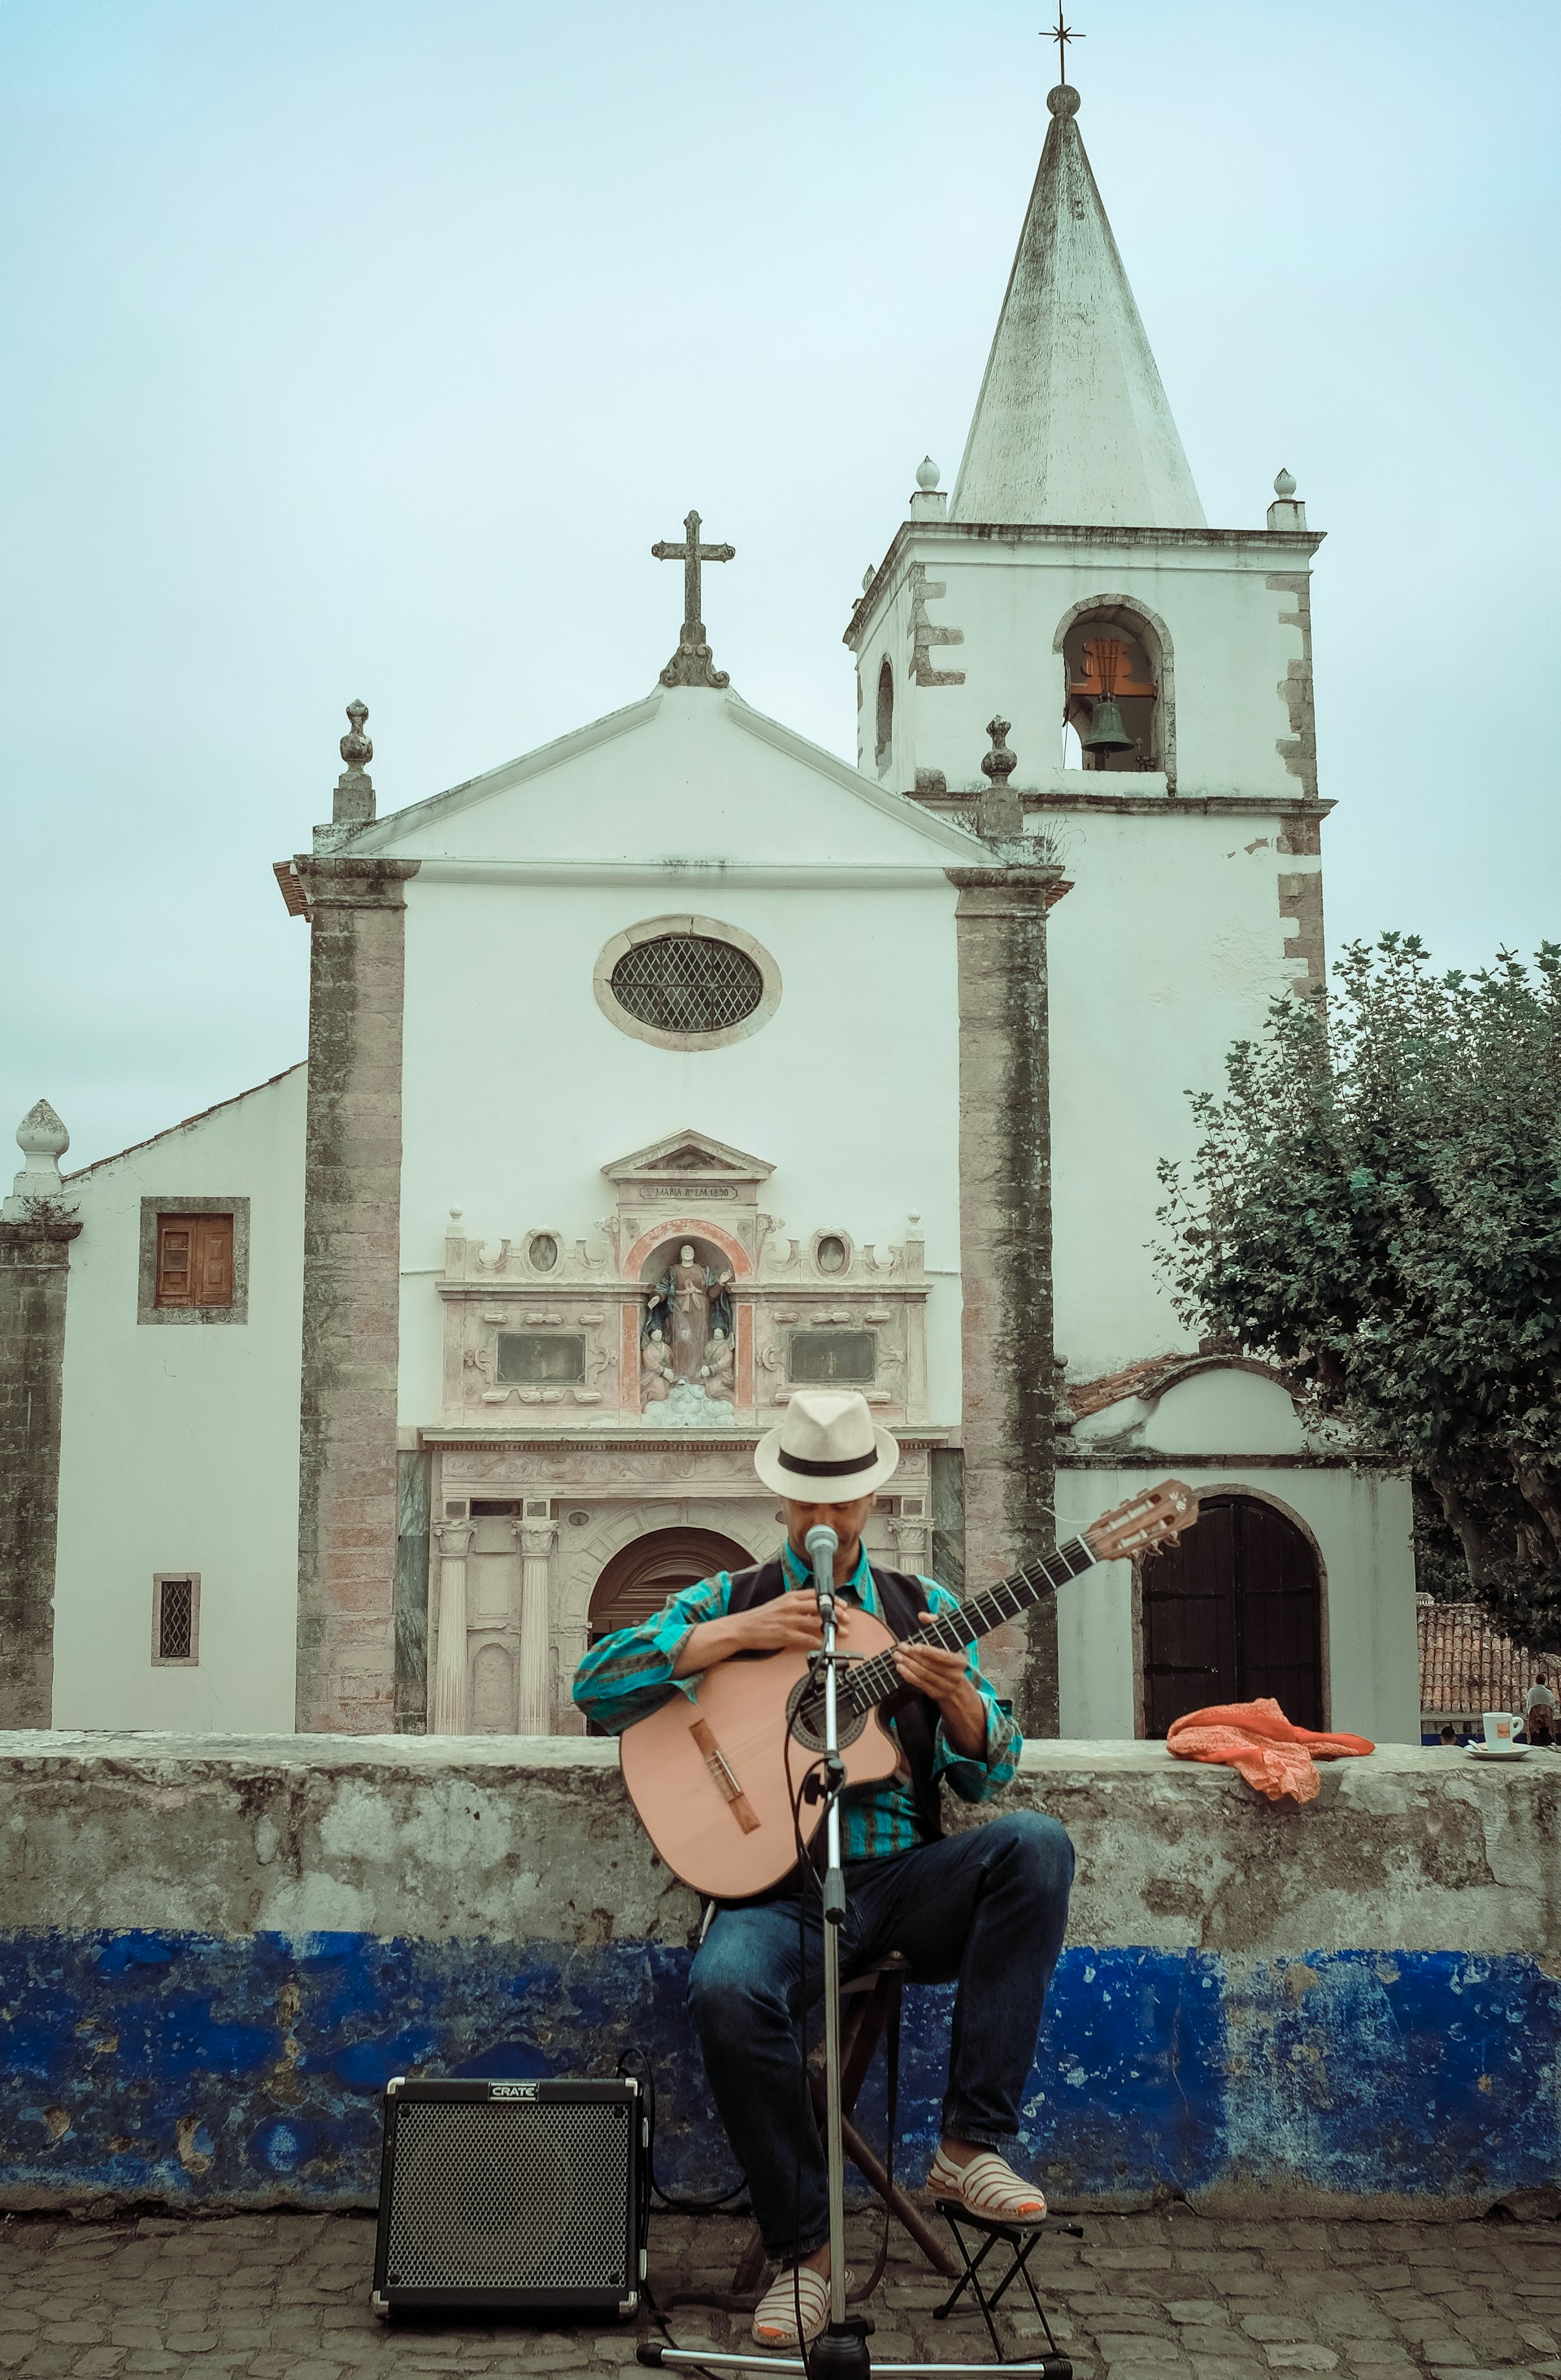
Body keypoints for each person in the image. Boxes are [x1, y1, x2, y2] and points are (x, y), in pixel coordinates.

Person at [573, 1389, 1074, 2352]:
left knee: (1038, 1845)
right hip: (776, 1894)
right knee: (723, 1984)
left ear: (870, 1502)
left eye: (841, 1500)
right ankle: (806, 2253)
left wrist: (962, 1702)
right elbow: (597, 1683)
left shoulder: (924, 1609)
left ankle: (969, 2148)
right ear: (781, 1504)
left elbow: (994, 1763)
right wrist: (736, 1639)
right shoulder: (736, 1595)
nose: (823, 1520)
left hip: (904, 1880)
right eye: (806, 1500)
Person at [1524, 1675, 1556, 1748]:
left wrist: (1529, 1713)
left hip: (1534, 1716)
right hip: (1546, 1717)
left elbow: (1529, 1703)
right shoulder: (1548, 1692)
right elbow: (1552, 1703)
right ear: (1544, 1681)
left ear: (1536, 1681)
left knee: (1535, 1737)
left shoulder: (1532, 1691)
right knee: (1545, 1736)